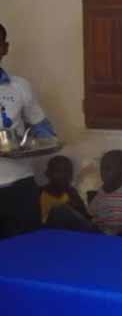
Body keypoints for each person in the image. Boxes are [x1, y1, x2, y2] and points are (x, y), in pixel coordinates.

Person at [0, 22, 59, 237]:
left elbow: (41, 126)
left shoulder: (20, 86)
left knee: (27, 247)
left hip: (20, 184)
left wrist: (44, 140)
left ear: (5, 48)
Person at [40, 155, 88, 224]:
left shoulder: (72, 193)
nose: (63, 175)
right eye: (58, 171)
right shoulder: (40, 194)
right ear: (48, 173)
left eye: (67, 171)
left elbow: (84, 216)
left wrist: (75, 207)